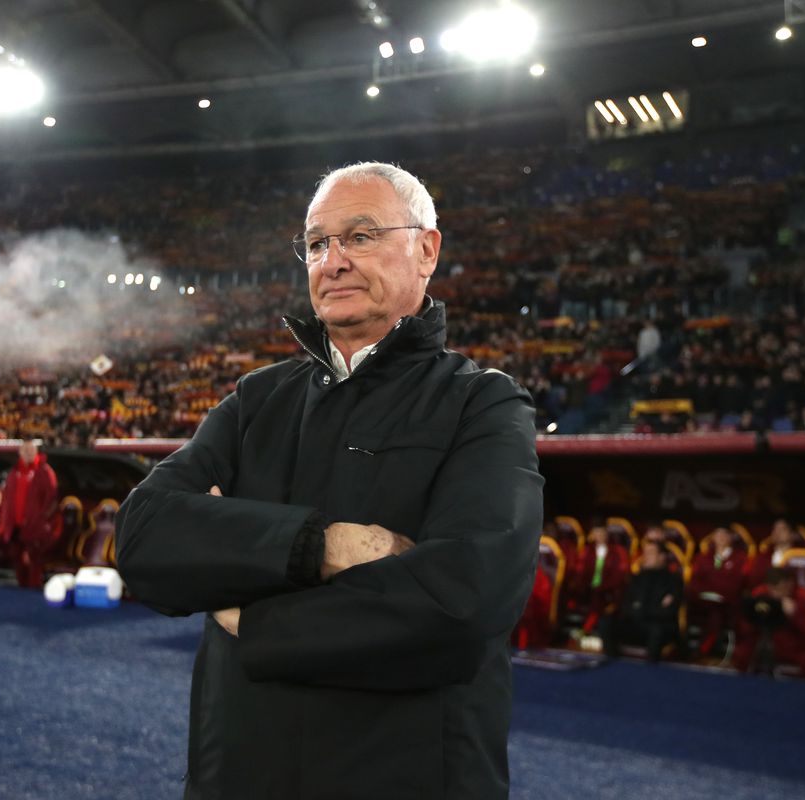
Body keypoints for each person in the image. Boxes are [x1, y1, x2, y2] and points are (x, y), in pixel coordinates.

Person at [114, 162, 543, 799]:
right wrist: (322, 546)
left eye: (360, 237)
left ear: (426, 250)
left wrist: (251, 615)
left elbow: (463, 601)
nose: (333, 261)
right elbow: (143, 535)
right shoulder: (257, 400)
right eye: (317, 244)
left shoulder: (483, 404)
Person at [733, 567, 805, 679]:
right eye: (772, 589)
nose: (775, 594)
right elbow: (744, 625)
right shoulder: (761, 594)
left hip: (795, 646)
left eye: (779, 589)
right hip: (763, 644)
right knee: (743, 652)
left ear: (790, 584)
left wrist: (794, 615)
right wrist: (758, 616)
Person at [603, 540, 684, 662]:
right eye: (645, 553)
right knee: (606, 622)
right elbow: (626, 604)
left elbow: (667, 611)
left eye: (650, 553)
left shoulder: (673, 580)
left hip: (657, 626)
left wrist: (640, 609)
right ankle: (612, 663)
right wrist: (639, 610)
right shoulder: (636, 577)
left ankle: (652, 669)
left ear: (662, 557)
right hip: (635, 623)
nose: (646, 557)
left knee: (657, 630)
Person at [0, 440, 58, 589]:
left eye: (31, 450)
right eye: (25, 450)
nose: (28, 453)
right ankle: (22, 589)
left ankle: (33, 591)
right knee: (17, 560)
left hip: (35, 526)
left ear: (36, 452)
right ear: (20, 452)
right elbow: (7, 498)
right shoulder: (14, 472)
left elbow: (51, 498)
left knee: (34, 561)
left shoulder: (44, 471)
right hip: (15, 526)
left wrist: (42, 520)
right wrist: (5, 521)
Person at [688, 526, 748, 656]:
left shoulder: (740, 558)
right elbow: (695, 581)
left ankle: (706, 648)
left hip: (726, 602)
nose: (720, 537)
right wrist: (706, 592)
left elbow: (737, 583)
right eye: (717, 534)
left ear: (731, 537)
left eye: (724, 534)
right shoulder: (702, 557)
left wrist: (717, 592)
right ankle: (684, 647)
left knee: (716, 612)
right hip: (702, 600)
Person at [575, 524, 630, 635]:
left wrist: (604, 586)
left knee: (599, 602)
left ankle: (587, 629)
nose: (600, 536)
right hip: (589, 589)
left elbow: (619, 573)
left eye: (602, 533)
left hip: (608, 590)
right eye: (597, 533)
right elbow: (580, 571)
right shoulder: (586, 551)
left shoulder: (618, 552)